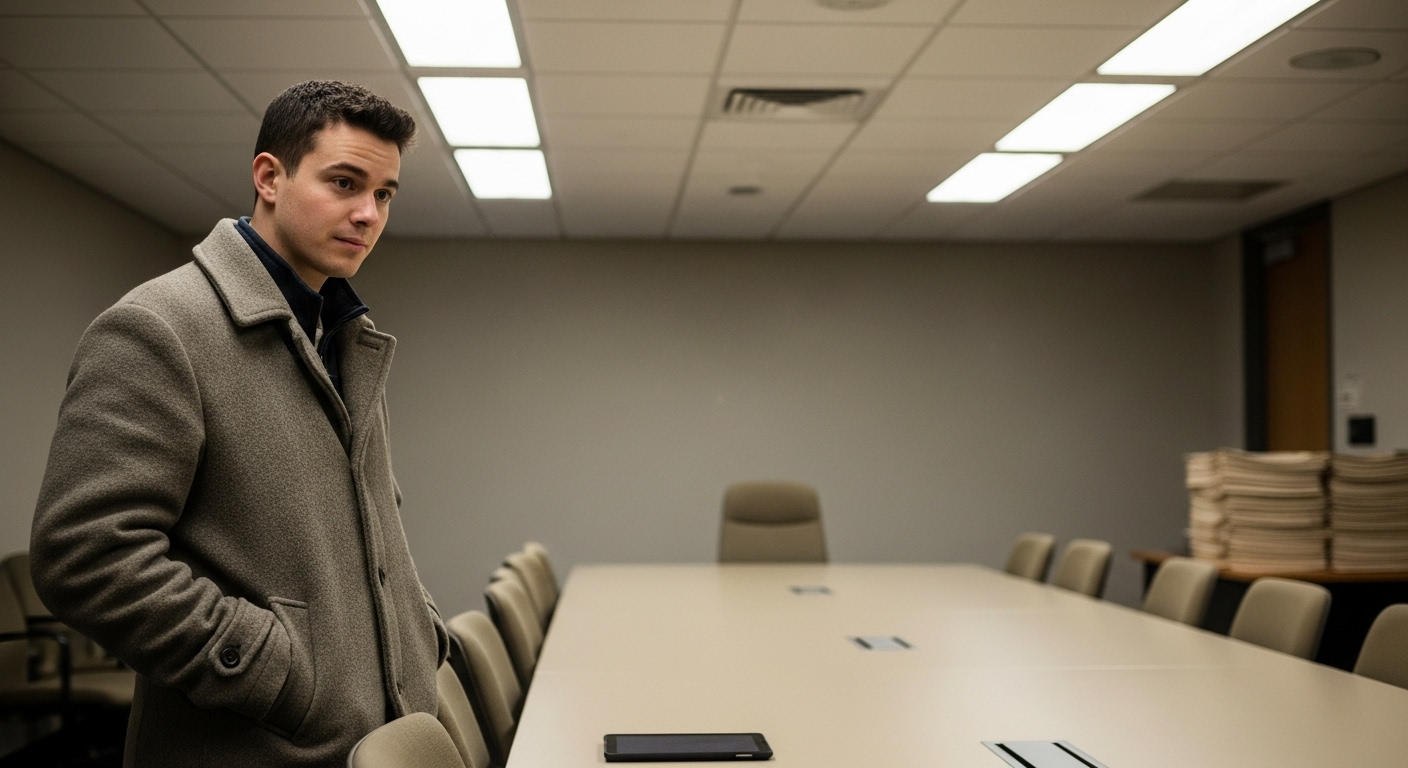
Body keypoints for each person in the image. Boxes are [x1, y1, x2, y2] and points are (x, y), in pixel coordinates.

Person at [30, 80, 448, 766]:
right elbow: (85, 554)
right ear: (269, 177)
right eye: (344, 182)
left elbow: (367, 530)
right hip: (255, 748)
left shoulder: (342, 333)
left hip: (370, 740)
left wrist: (418, 637)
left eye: (384, 194)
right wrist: (271, 672)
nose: (367, 213)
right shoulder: (160, 327)